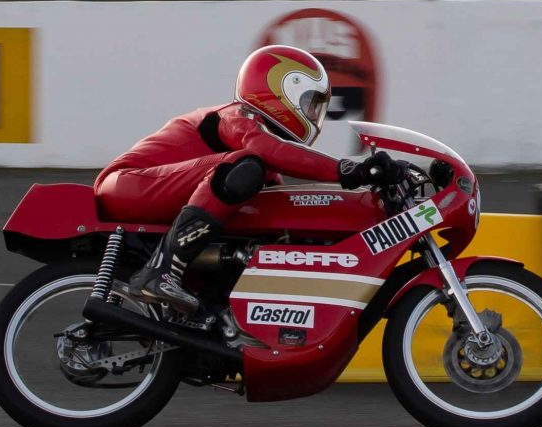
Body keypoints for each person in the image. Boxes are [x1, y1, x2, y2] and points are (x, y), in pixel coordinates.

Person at [94, 45, 403, 316]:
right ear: (280, 93)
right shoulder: (236, 115)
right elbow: (263, 149)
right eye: (309, 103)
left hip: (154, 190)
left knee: (268, 209)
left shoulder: (267, 163)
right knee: (244, 165)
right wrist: (347, 170)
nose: (314, 114)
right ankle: (161, 271)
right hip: (126, 184)